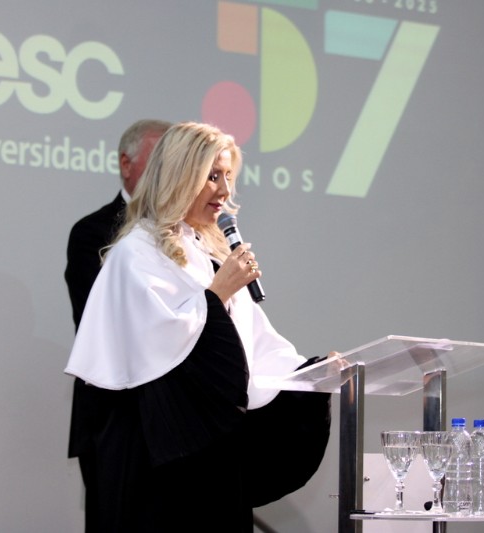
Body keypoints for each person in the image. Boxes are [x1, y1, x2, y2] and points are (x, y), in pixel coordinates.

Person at [64, 121, 332, 532]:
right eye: (212, 176)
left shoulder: (206, 252)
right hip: (157, 457)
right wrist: (218, 292)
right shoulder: (134, 252)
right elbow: (161, 350)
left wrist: (310, 374)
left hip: (212, 448)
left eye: (228, 176)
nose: (225, 190)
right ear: (179, 175)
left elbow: (254, 343)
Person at [64, 119, 171, 531]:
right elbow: (103, 326)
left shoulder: (187, 233)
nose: (167, 171)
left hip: (176, 420)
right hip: (116, 419)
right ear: (126, 164)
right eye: (158, 160)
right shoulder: (93, 233)